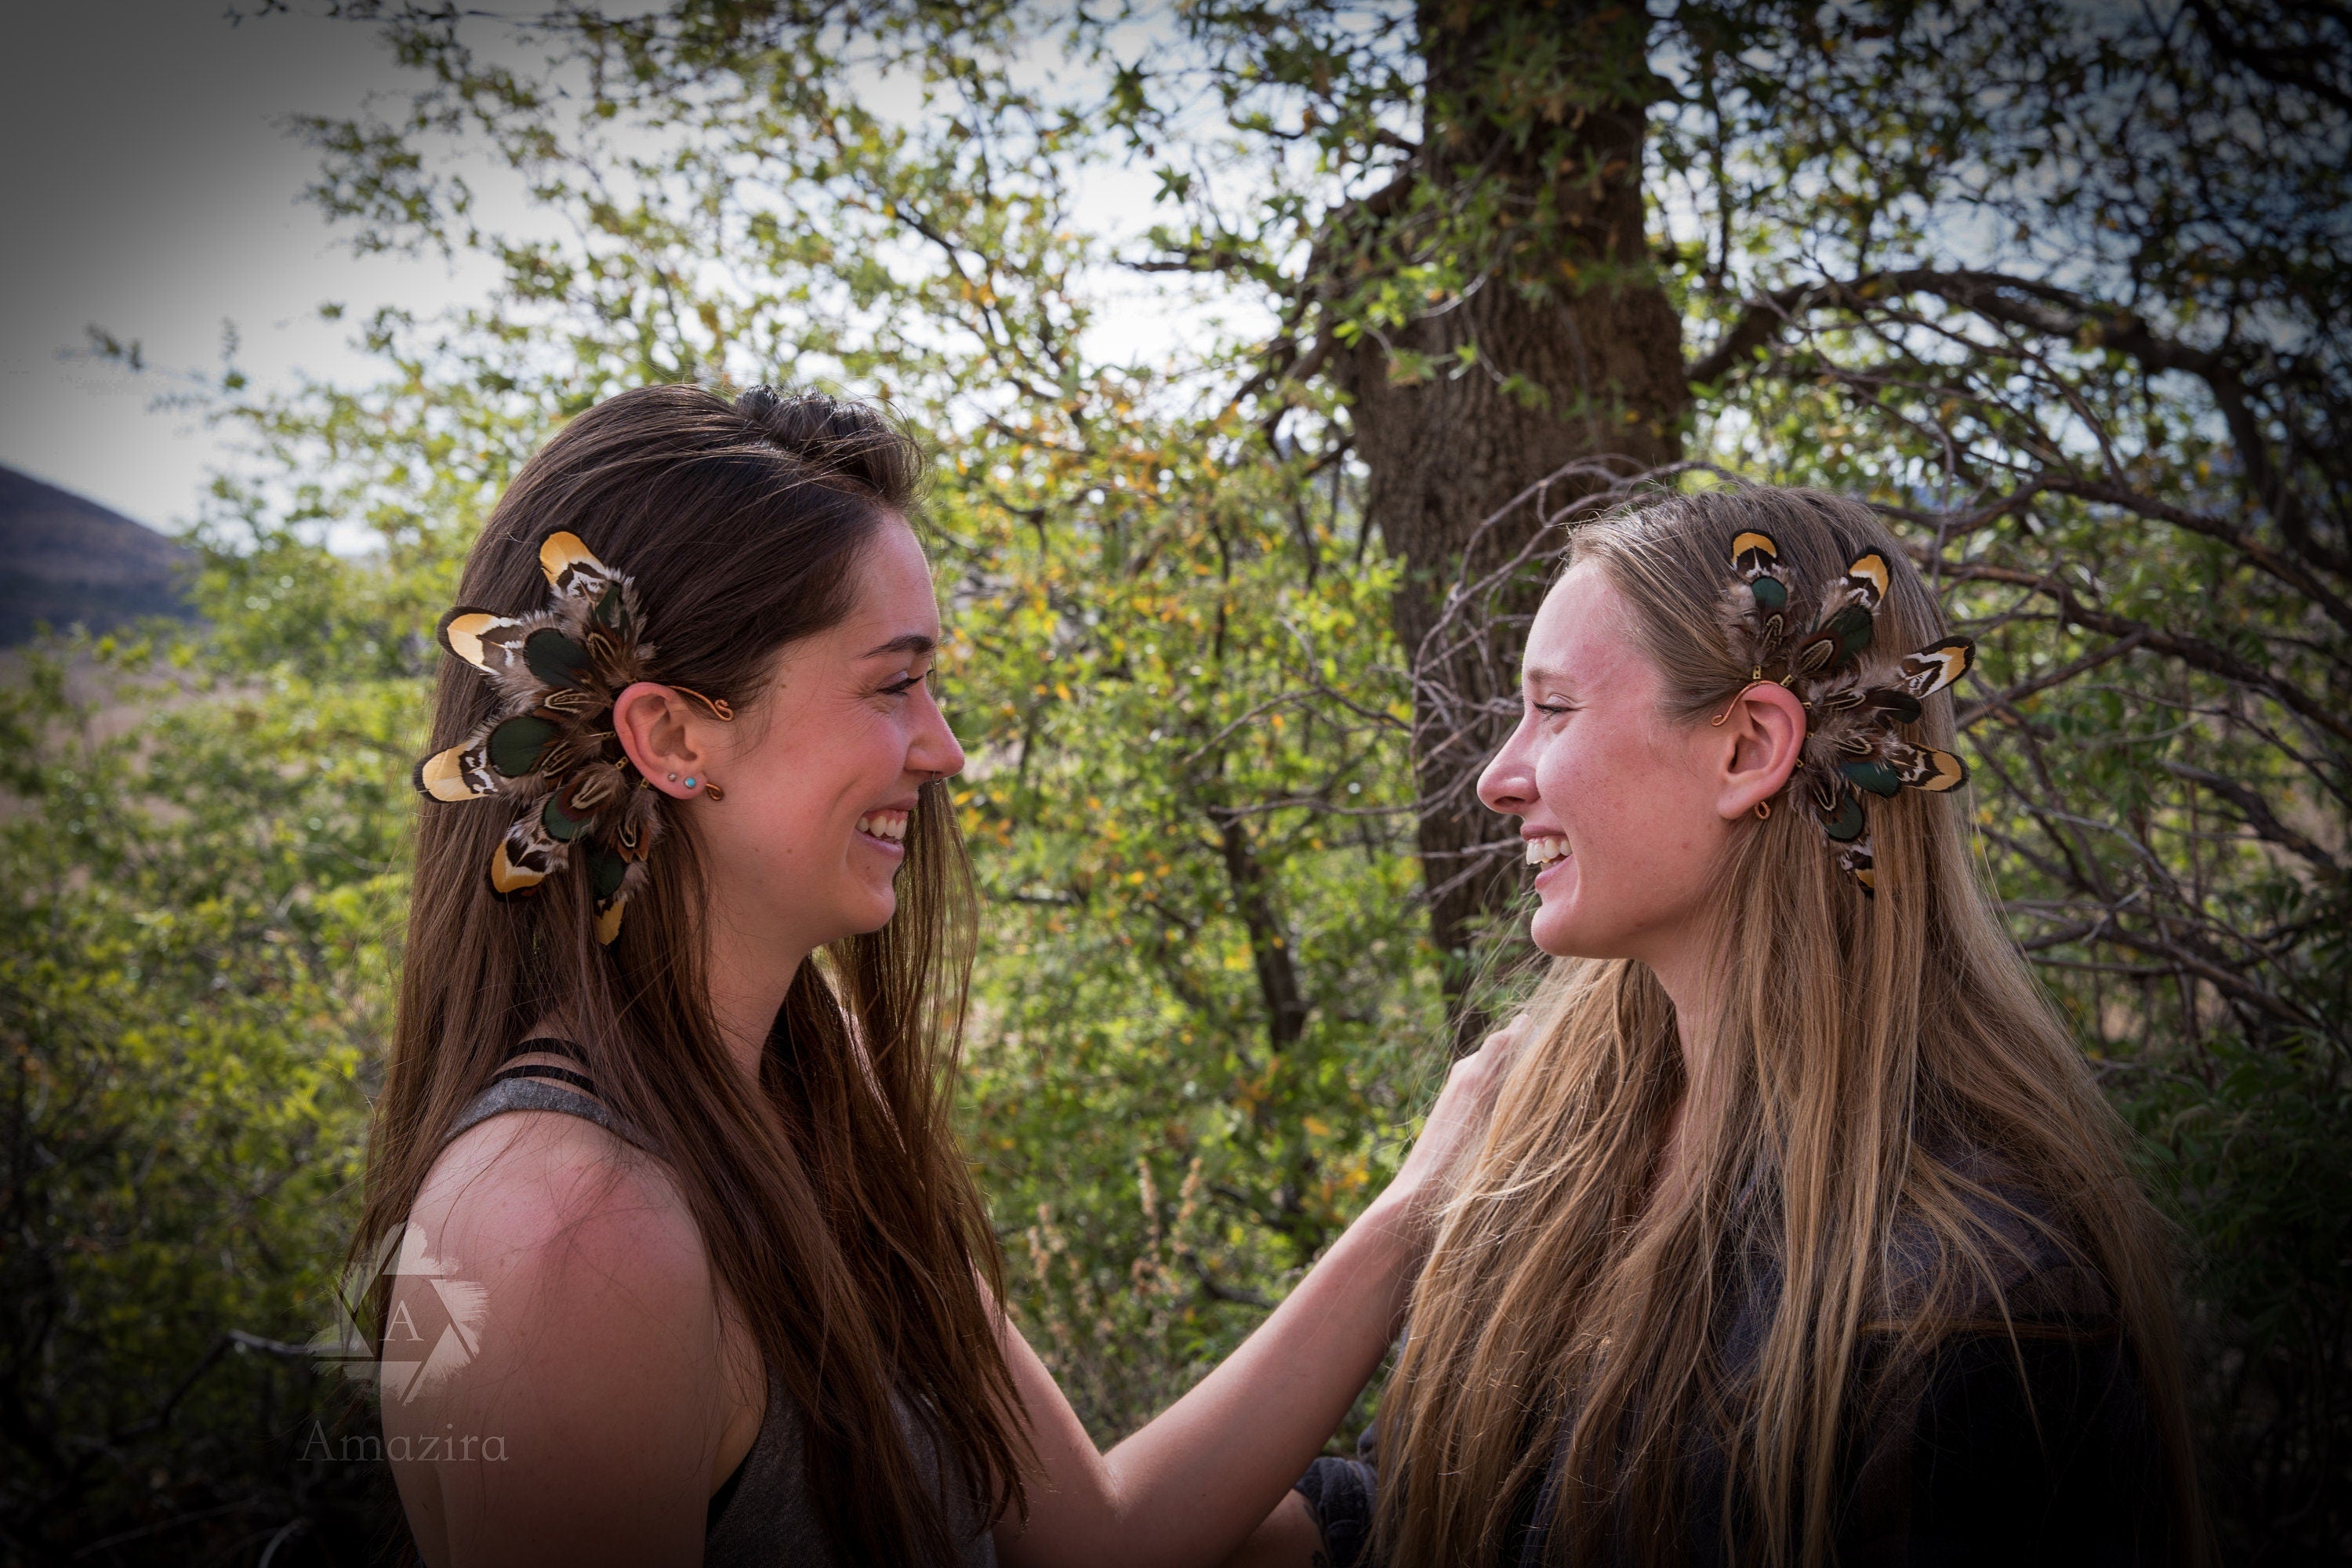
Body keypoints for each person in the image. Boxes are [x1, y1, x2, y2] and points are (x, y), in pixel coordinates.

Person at [356, 382, 1519, 1568]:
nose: (945, 748)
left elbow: (1096, 1541)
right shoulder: (574, 1237)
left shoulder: (809, 1089)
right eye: (892, 683)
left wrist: (1427, 1195)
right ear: (672, 740)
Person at [1239, 488, 2201, 1566]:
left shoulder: (1970, 1313)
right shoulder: (1552, 1153)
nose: (1498, 778)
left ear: (1748, 746)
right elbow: (1459, 1513)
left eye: (1552, 711)